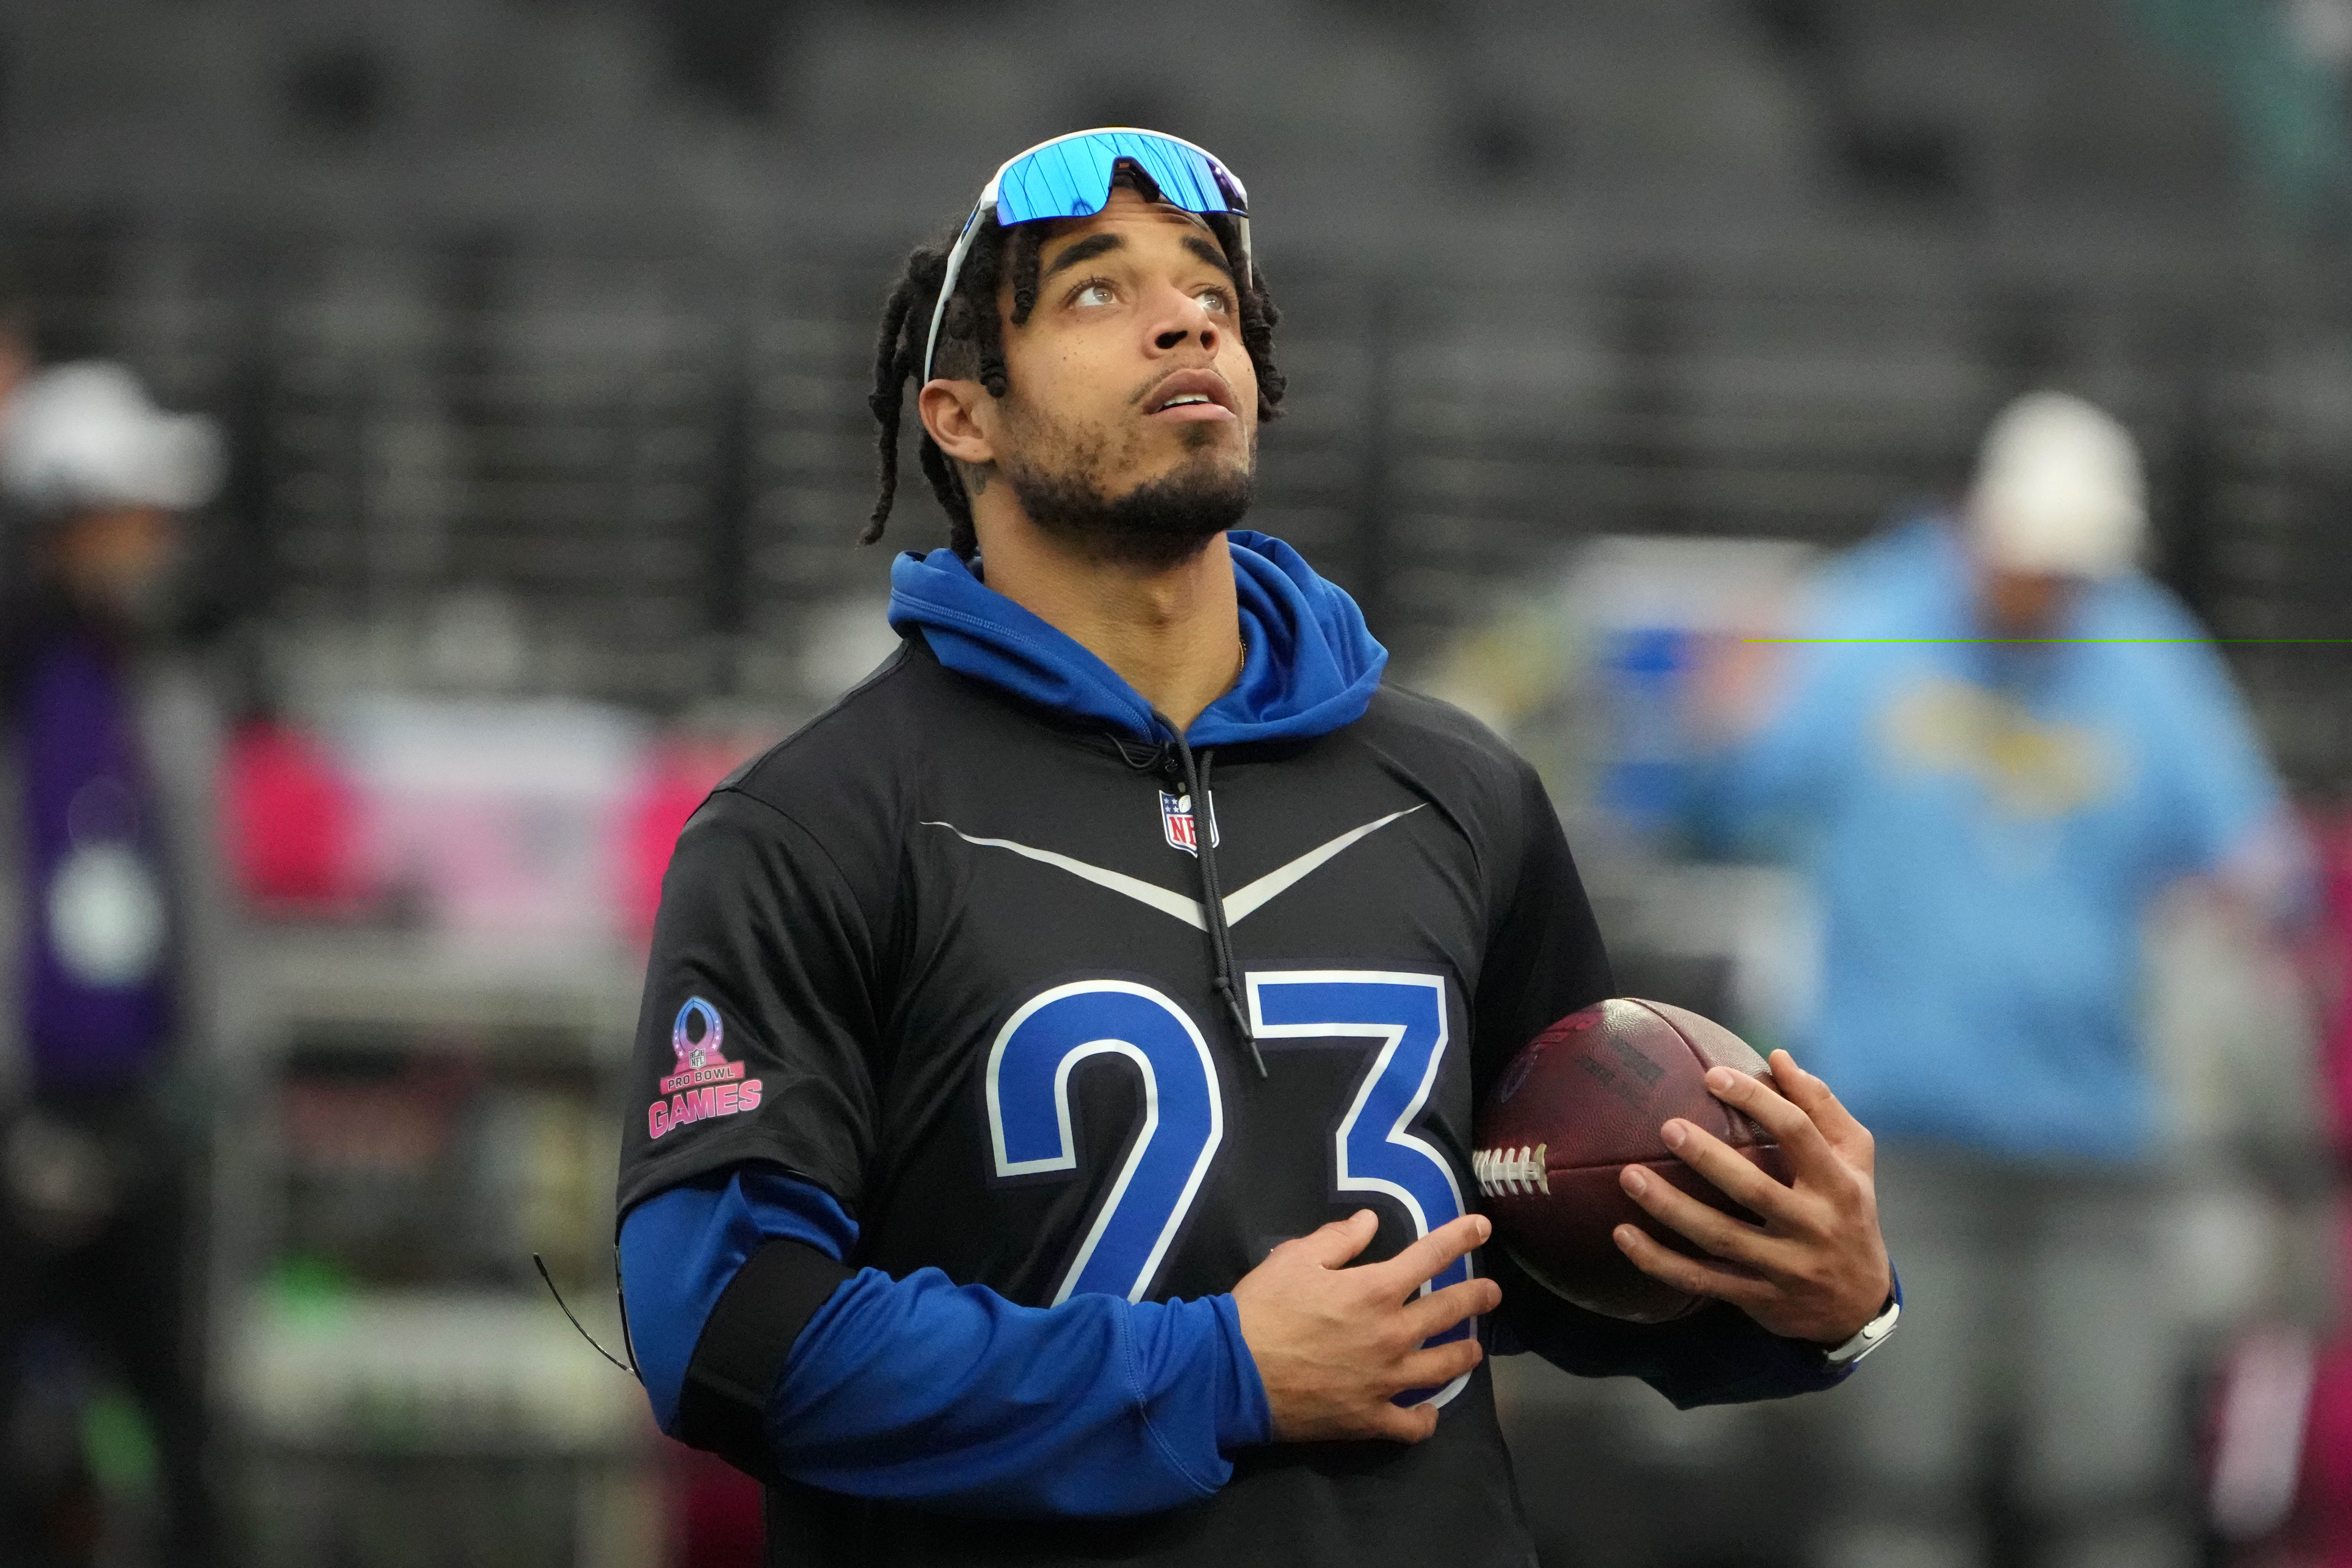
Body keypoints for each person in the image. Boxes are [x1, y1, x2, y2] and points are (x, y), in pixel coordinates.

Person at [614, 128, 1897, 1567]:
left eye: (1210, 288)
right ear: (962, 414)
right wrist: (1216, 1369)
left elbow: (1546, 1241)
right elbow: (726, 1330)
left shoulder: (1461, 791)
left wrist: (1815, 1292)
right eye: (1099, 291)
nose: (1187, 317)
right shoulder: (813, 827)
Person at [1689, 392, 2312, 1568]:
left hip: (2095, 1145)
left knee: (2113, 1483)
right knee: (1897, 1482)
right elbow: (1720, 797)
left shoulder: (2140, 644)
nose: (2050, 591)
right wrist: (1712, 718)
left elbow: (2259, 857)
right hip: (1894, 1141)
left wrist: (2243, 901)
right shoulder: (1861, 619)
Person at [0, 360, 225, 1564]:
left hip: (140, 1131)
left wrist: (194, 1084)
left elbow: (187, 908)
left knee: (184, 1441)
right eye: (133, 514)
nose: (157, 542)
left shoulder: (156, 682)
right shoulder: (23, 686)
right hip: (20, 1135)